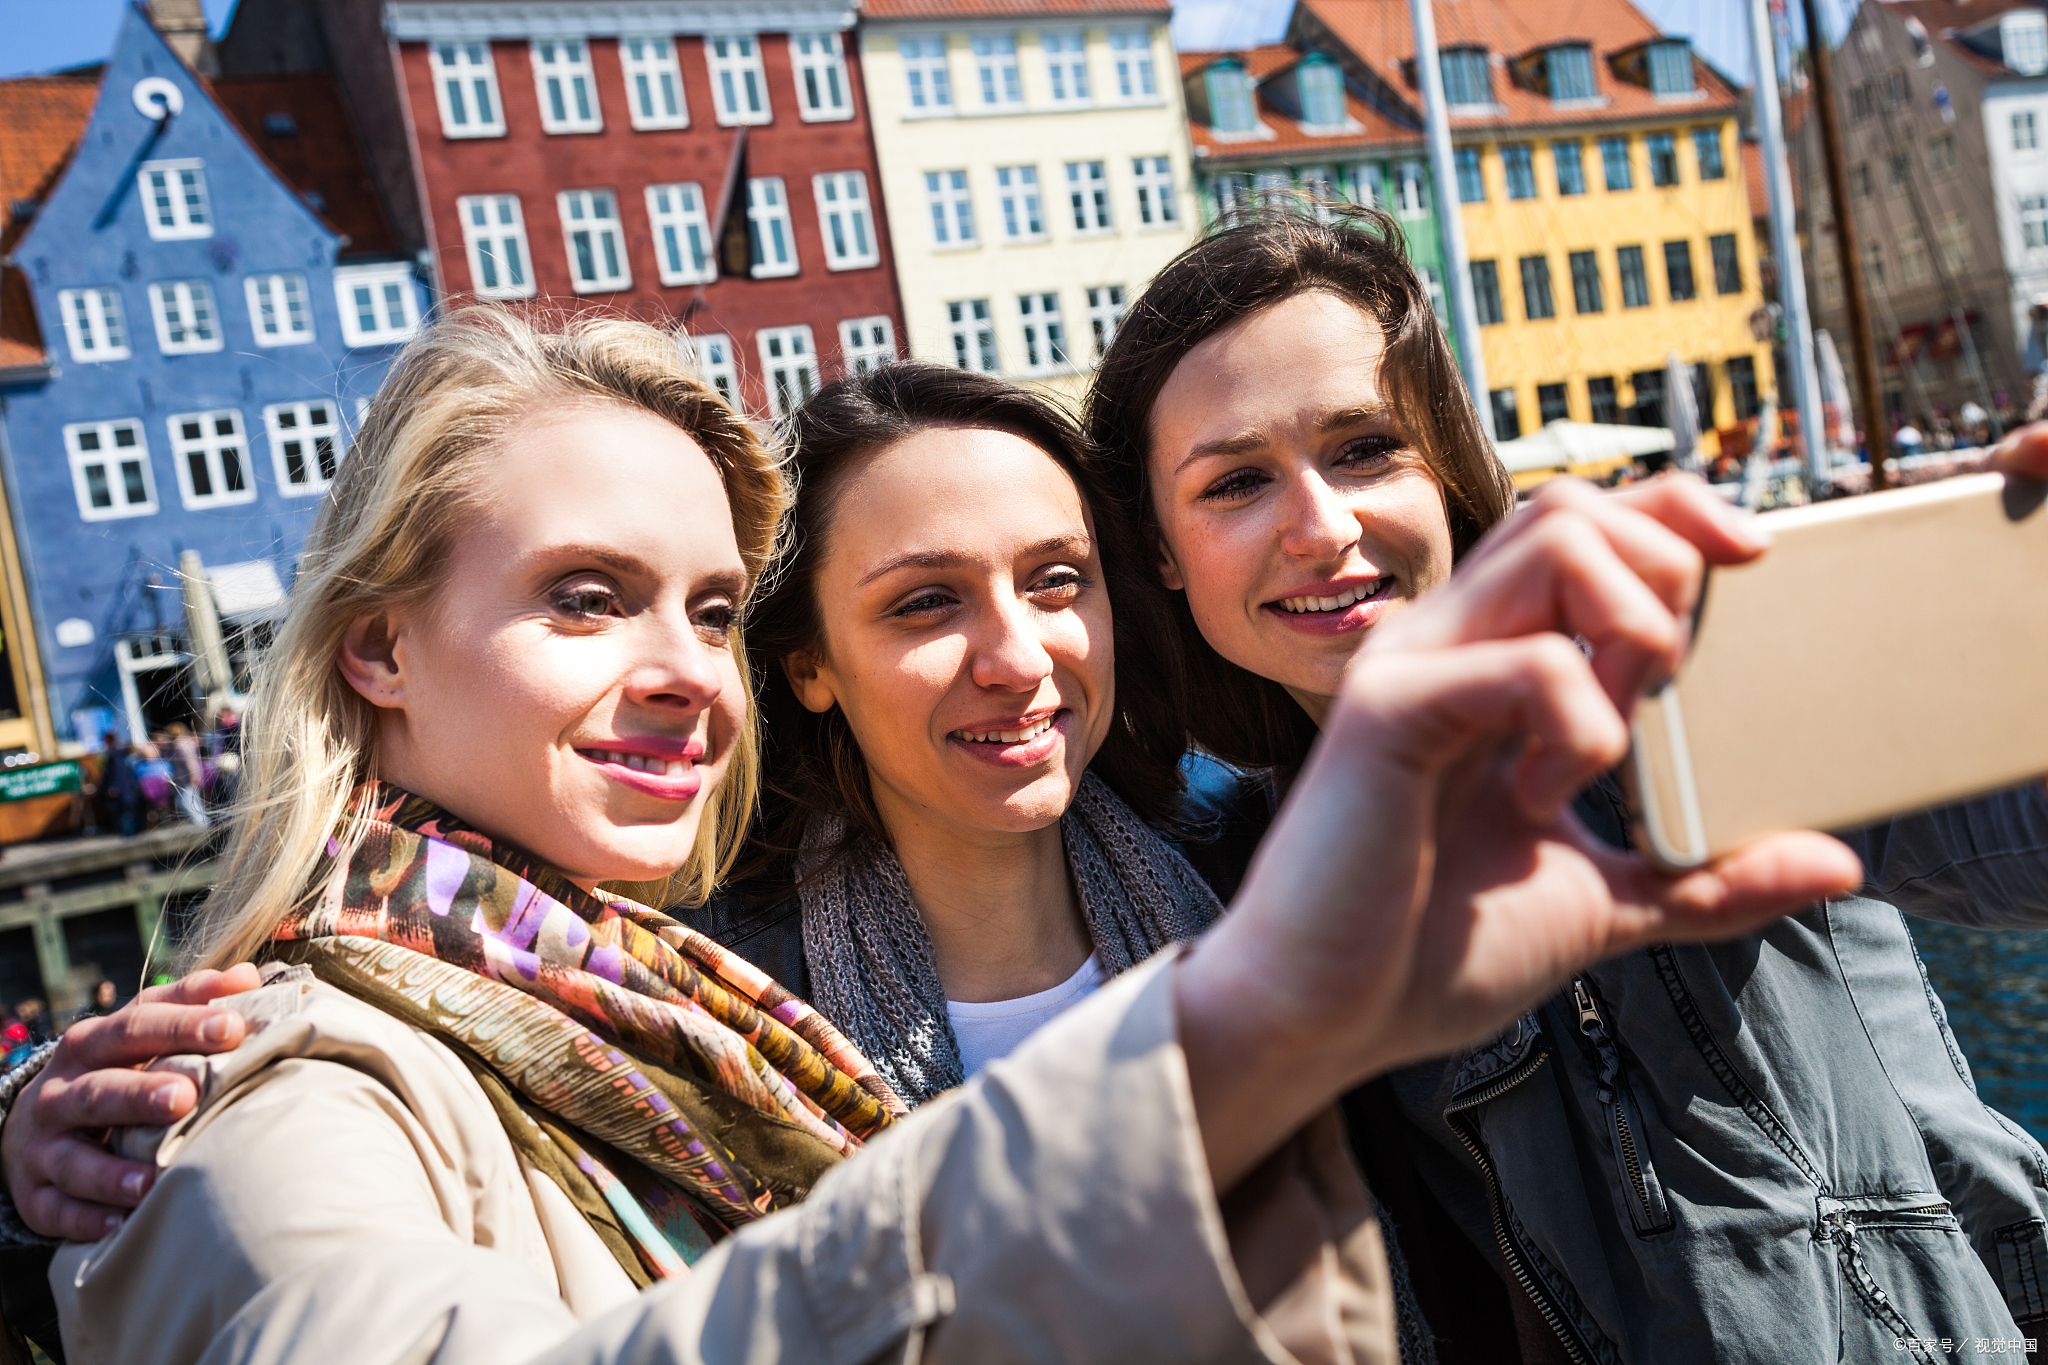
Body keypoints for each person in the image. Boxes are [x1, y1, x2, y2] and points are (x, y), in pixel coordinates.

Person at [0, 308, 1852, 1365]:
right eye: (585, 598)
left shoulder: (672, 1019)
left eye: (708, 609)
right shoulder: (257, 1088)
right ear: (375, 647)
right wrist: (1240, 1030)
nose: (677, 675)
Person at [1085, 205, 2048, 1362]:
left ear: (1444, 464)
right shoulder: (1229, 880)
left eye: (1363, 449)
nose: (1320, 526)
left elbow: (2008, 829)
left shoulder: (1664, 676)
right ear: (1156, 554)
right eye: (1234, 482)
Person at [695, 361, 1242, 1102]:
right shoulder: (721, 1009)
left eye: (1054, 579)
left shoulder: (1255, 859)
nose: (1018, 660)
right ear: (809, 666)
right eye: (926, 601)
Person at [163, 723, 209, 829]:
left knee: (187, 802)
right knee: (191, 800)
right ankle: (202, 823)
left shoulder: (181, 743)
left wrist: (194, 776)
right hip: (184, 778)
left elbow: (190, 761)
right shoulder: (181, 743)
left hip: (187, 778)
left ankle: (202, 823)